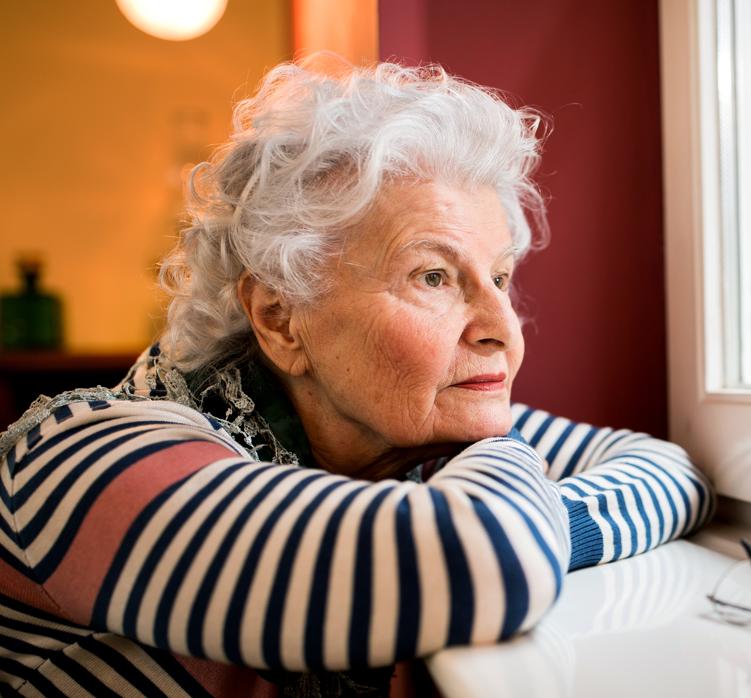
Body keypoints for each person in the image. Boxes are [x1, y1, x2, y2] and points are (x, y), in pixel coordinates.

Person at [0, 59, 714, 696]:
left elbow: (668, 470)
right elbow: (484, 559)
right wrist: (507, 464)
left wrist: (508, 480)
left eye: (498, 277)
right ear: (282, 320)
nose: (504, 325)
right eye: (433, 276)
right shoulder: (81, 459)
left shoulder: (396, 431)